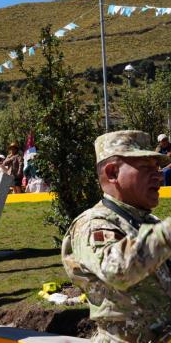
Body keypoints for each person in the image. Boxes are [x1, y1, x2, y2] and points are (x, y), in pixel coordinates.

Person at [62, 130, 171, 342]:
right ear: (112, 173)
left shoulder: (150, 222)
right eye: (146, 168)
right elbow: (117, 271)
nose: (158, 176)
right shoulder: (91, 224)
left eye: (158, 168)